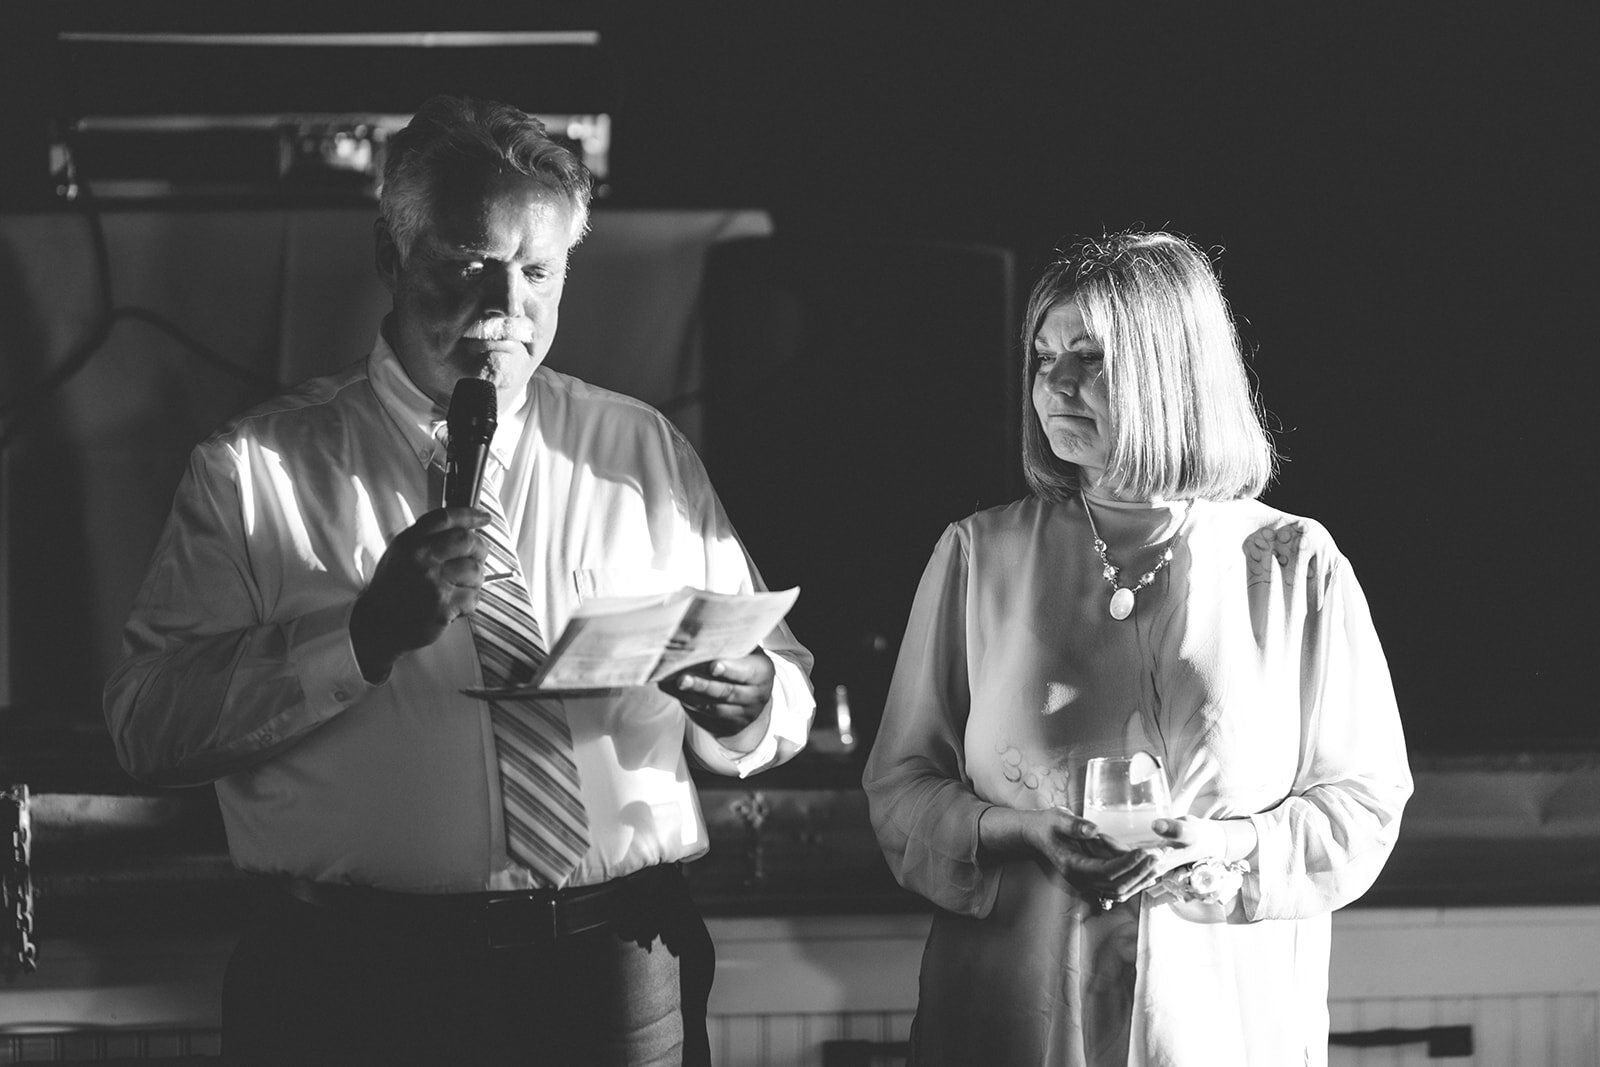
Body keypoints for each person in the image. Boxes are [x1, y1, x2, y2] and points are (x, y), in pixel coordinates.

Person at [103, 94, 814, 1066]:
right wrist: (357, 641)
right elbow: (148, 724)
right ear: (391, 257)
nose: (504, 309)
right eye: (466, 265)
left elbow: (782, 683)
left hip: (615, 970)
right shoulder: (253, 470)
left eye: (536, 272)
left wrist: (752, 700)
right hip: (353, 986)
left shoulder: (639, 448)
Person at [862, 230, 1412, 1066]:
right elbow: (899, 790)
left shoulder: (1293, 562)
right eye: (1043, 356)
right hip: (1016, 1019)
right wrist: (1021, 830)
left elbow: (1364, 806)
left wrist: (1221, 846)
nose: (1056, 384)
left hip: (1218, 1027)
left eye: (1089, 355)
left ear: (1171, 372)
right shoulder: (980, 556)